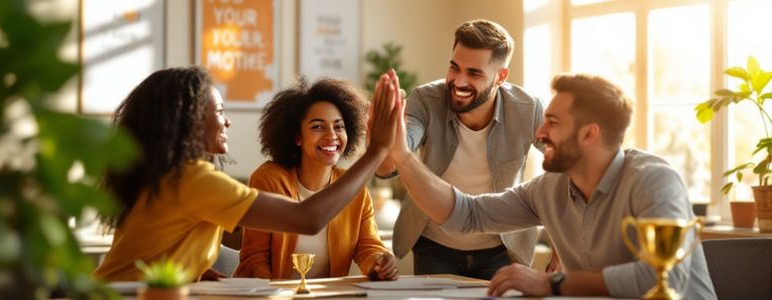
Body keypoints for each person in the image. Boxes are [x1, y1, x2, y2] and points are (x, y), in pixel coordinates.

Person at [381, 72, 716, 298]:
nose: (539, 134)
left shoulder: (654, 180)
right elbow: (466, 214)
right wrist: (402, 156)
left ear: (589, 134)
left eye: (552, 123)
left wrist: (551, 282)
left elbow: (664, 280)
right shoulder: (548, 189)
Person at [93, 67, 402, 281]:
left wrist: (197, 273)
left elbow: (157, 248)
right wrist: (376, 151)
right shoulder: (192, 180)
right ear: (189, 120)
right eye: (219, 112)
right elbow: (307, 219)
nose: (227, 122)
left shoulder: (169, 176)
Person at [374, 19, 544, 279]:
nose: (459, 81)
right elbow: (391, 163)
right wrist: (384, 140)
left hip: (501, 249)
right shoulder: (426, 100)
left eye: (474, 73)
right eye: (454, 67)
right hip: (435, 247)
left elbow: (569, 166)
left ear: (500, 76)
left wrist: (565, 246)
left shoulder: (527, 109)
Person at [234, 78, 398, 281]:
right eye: (318, 127)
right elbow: (254, 260)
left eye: (339, 127)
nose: (332, 136)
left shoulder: (352, 186)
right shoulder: (268, 180)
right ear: (297, 138)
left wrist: (380, 261)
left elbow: (368, 246)